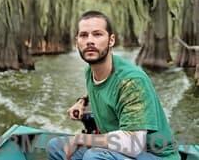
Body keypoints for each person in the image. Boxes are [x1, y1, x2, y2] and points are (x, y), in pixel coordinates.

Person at [46, 10, 180, 160]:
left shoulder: (132, 81)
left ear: (111, 40)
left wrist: (81, 139)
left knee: (94, 156)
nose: (90, 40)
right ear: (77, 42)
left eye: (97, 34)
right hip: (118, 151)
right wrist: (82, 101)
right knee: (56, 146)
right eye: (84, 35)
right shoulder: (90, 73)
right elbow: (102, 89)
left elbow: (133, 145)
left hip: (154, 155)